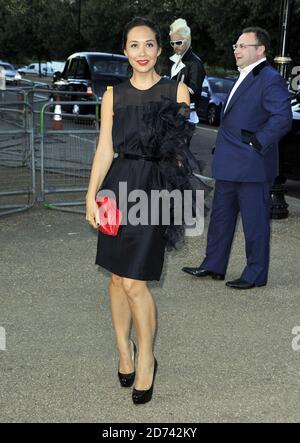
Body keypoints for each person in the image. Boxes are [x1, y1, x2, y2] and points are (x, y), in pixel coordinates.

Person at [85, 17, 196, 404]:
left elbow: (180, 153)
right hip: (116, 189)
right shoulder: (113, 95)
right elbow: (104, 149)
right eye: (135, 46)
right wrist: (90, 195)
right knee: (116, 278)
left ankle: (146, 359)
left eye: (149, 45)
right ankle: (123, 351)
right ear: (125, 51)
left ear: (160, 49)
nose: (143, 53)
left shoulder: (177, 91)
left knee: (135, 282)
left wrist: (177, 203)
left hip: (154, 192)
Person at [182, 27, 292, 290]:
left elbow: (282, 118)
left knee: (255, 224)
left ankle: (255, 274)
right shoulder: (242, 76)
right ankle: (214, 265)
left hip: (253, 165)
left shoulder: (269, 78)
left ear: (260, 49)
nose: (237, 50)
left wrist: (258, 141)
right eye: (236, 46)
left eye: (242, 46)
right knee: (221, 218)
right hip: (229, 164)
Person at [169, 18, 206, 123]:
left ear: (188, 40)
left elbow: (194, 91)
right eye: (172, 43)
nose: (175, 46)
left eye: (178, 42)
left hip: (185, 114)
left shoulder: (195, 63)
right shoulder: (175, 60)